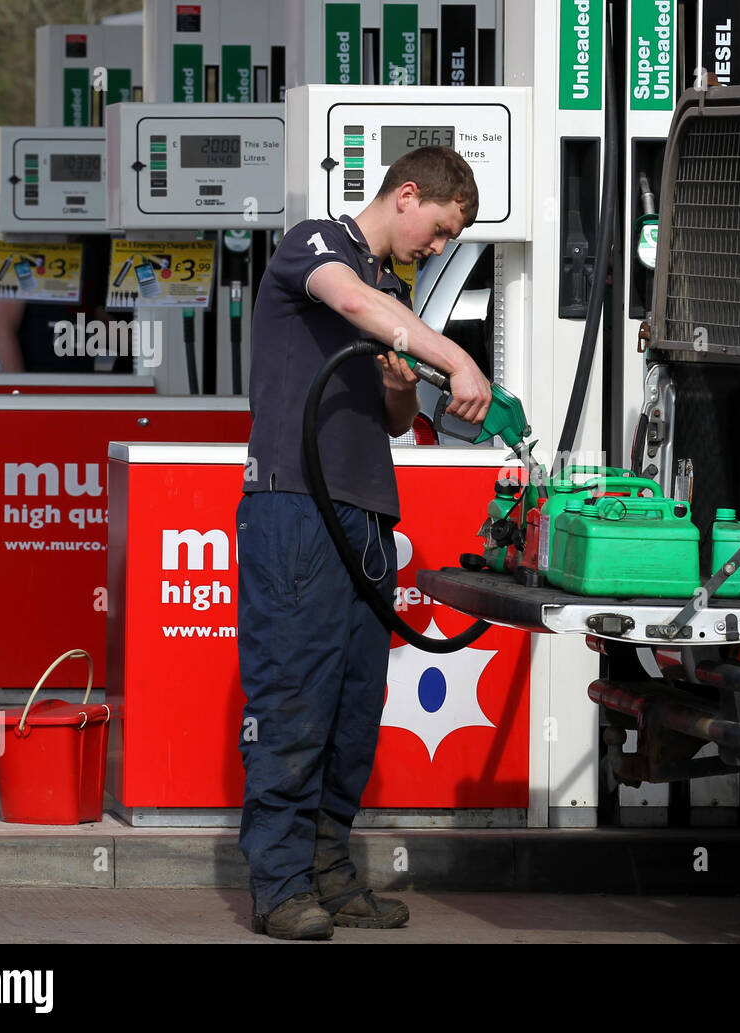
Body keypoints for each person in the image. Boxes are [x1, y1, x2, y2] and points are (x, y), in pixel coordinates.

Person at [236, 146, 492, 940]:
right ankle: (278, 885)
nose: (437, 247)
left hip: (365, 517)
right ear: (407, 194)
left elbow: (388, 423)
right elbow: (344, 300)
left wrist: (400, 385)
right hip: (295, 509)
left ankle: (330, 870)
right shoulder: (316, 244)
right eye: (440, 229)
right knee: (294, 697)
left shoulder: (392, 292)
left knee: (352, 706)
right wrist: (450, 355)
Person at [0, 235, 131, 373]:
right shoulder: (23, 250)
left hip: (80, 376)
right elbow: (3, 329)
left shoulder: (89, 253)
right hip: (38, 378)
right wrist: (19, 388)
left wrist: (142, 344)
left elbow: (93, 316)